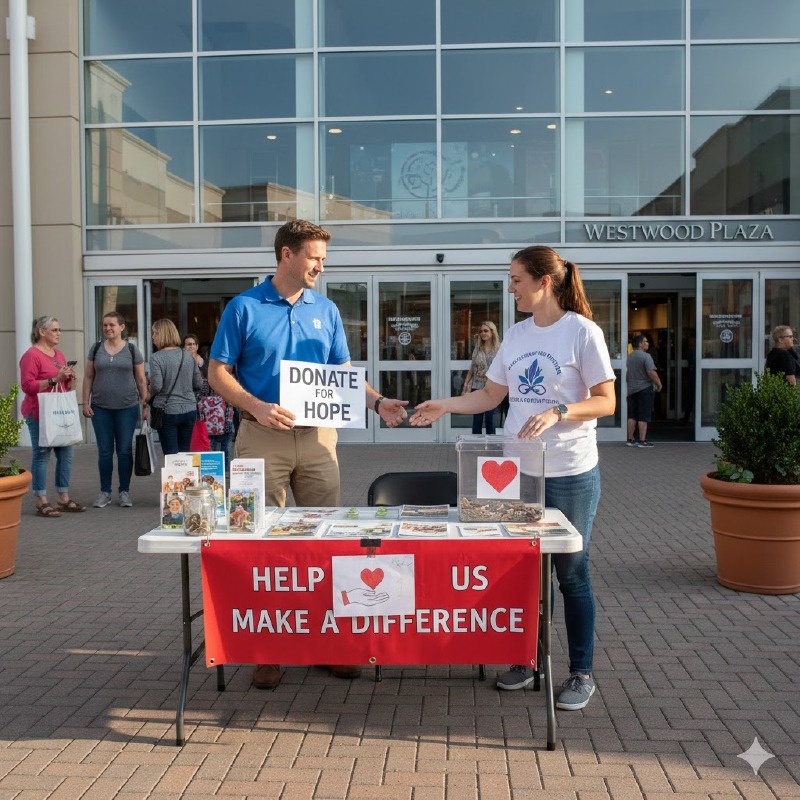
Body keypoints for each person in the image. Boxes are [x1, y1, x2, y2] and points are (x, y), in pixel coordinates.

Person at [410, 245, 615, 711]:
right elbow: (489, 396)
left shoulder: (582, 332)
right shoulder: (518, 336)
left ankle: (581, 672)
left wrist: (559, 410)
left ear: (545, 281)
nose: (511, 287)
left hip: (569, 471)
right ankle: (528, 660)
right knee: (524, 573)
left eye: (517, 279)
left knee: (572, 574)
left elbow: (606, 401)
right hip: (517, 473)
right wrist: (443, 404)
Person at [208, 218, 408, 690]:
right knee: (262, 543)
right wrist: (255, 406)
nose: (321, 264)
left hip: (319, 438)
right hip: (262, 437)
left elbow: (343, 374)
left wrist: (378, 402)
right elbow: (217, 373)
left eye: (323, 257)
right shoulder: (244, 307)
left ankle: (330, 644)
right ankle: (269, 649)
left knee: (328, 541)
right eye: (314, 256)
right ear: (286, 255)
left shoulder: (328, 310)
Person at [18, 316, 86, 517]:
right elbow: (27, 386)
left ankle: (63, 497)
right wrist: (53, 379)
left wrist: (71, 380)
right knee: (42, 454)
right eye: (54, 330)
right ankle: (41, 500)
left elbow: (64, 386)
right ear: (42, 331)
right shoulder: (31, 355)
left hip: (58, 412)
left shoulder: (59, 355)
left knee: (66, 454)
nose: (59, 333)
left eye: (59, 329)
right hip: (39, 411)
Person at [82, 311, 149, 508]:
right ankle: (105, 492)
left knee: (124, 451)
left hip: (127, 408)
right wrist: (85, 402)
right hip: (100, 408)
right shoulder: (96, 349)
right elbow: (88, 377)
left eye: (112, 325)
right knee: (104, 451)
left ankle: (124, 492)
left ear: (122, 327)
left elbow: (141, 379)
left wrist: (145, 404)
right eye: (105, 325)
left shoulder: (131, 349)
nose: (108, 328)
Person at [149, 319, 203, 456]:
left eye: (154, 333)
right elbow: (198, 383)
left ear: (162, 335)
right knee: (185, 454)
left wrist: (148, 394)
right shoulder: (188, 356)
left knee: (171, 456)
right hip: (189, 409)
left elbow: (157, 385)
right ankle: (185, 477)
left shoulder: (156, 357)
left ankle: (174, 478)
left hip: (167, 410)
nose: (152, 337)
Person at [462, 320, 502, 434]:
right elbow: (472, 368)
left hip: (491, 388)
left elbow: (501, 369)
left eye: (486, 331)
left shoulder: (499, 349)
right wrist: (466, 386)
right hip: (477, 386)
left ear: (492, 332)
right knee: (477, 418)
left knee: (490, 419)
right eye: (481, 331)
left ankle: (491, 446)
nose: (483, 333)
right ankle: (475, 446)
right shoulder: (477, 349)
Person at [625, 334, 662, 448]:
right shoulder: (646, 357)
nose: (647, 343)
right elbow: (651, 372)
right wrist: (659, 383)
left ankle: (630, 439)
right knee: (643, 415)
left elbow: (627, 374)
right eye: (645, 341)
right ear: (640, 344)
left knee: (632, 415)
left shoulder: (629, 357)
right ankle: (642, 441)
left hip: (631, 390)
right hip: (644, 389)